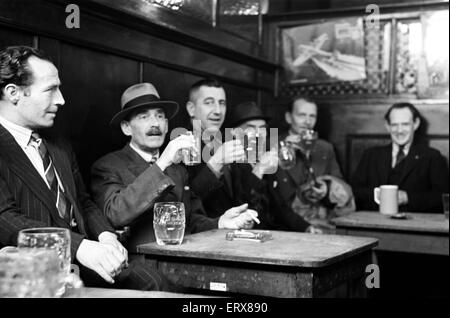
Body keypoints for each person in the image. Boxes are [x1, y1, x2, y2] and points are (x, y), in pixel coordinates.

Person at [0, 46, 166, 290]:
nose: (61, 99)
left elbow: (83, 202)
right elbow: (5, 219)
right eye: (50, 90)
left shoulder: (58, 142)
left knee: (156, 283)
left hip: (82, 263)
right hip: (27, 275)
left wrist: (106, 236)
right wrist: (81, 247)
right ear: (14, 93)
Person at [90, 82, 256, 254]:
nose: (155, 123)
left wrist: (221, 222)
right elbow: (116, 214)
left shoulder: (177, 170)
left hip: (184, 260)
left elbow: (191, 220)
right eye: (144, 117)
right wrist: (162, 163)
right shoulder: (108, 166)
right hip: (141, 265)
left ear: (167, 125)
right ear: (126, 128)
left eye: (160, 116)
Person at [184, 79, 318, 233]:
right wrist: (215, 164)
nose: (218, 110)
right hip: (206, 238)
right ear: (191, 109)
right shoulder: (182, 144)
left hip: (239, 236)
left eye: (222, 103)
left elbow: (264, 202)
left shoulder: (228, 143)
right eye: (209, 102)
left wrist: (306, 227)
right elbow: (185, 202)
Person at [274, 97, 355, 232]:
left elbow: (339, 182)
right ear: (288, 117)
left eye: (312, 116)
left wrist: (326, 188)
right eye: (302, 115)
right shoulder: (273, 144)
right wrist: (284, 150)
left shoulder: (325, 148)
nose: (307, 121)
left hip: (321, 224)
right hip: (285, 225)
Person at [352, 102, 449, 213]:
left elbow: (442, 198)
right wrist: (377, 195)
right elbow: (356, 190)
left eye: (405, 124)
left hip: (414, 225)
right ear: (387, 126)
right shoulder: (371, 155)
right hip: (375, 222)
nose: (399, 131)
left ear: (416, 124)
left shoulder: (432, 157)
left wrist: (407, 198)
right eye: (394, 125)